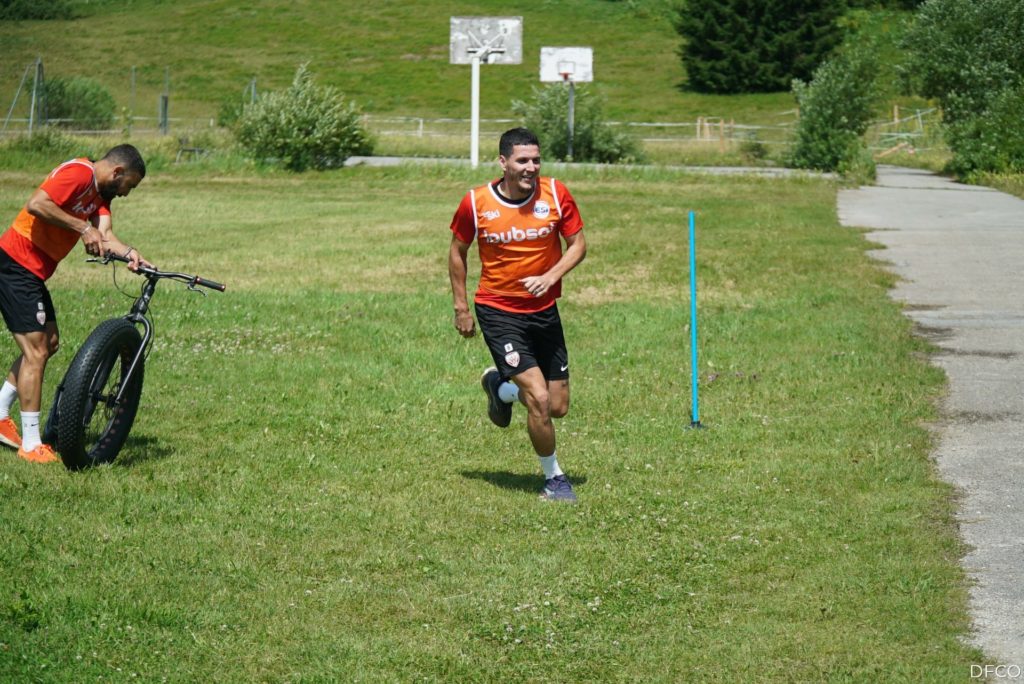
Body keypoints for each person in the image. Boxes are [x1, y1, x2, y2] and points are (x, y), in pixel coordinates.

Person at [448, 127, 587, 503]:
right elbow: (458, 251)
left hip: (544, 311)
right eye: (523, 160)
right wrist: (461, 307)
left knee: (557, 406)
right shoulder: (476, 202)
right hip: (498, 310)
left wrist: (551, 276)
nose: (531, 167)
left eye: (536, 160)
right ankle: (555, 480)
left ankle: (501, 388)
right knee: (539, 399)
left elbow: (578, 244)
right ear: (503, 162)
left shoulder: (555, 194)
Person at [0, 144, 152, 463]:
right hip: (14, 264)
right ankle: (31, 444)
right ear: (117, 172)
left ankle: (0, 413)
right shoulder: (79, 174)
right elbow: (37, 204)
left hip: (31, 273)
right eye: (129, 185)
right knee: (36, 351)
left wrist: (131, 254)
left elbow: (105, 234)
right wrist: (82, 227)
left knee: (49, 342)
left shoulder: (101, 195)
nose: (126, 193)